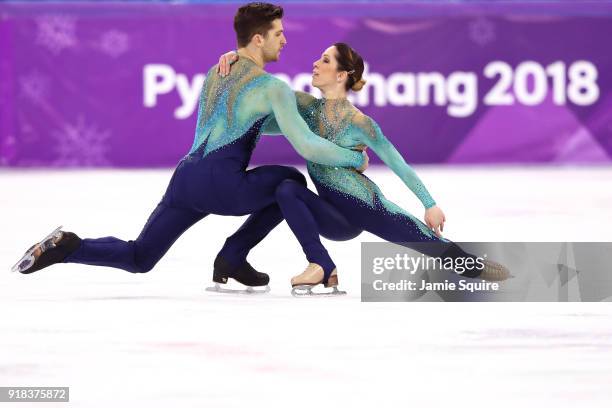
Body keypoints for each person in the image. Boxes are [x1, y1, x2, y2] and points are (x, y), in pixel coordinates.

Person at [11, 3, 368, 294]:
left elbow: (260, 122)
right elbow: (303, 142)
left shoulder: (218, 72)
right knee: (289, 181)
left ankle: (69, 246)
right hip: (223, 184)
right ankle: (233, 255)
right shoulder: (272, 88)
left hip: (185, 179)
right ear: (258, 39)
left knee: (140, 256)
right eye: (278, 34)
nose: (285, 41)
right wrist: (355, 157)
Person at [218, 43, 509, 295]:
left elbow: (398, 163)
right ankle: (319, 264)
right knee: (286, 189)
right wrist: (238, 60)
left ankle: (474, 267)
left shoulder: (361, 123)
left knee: (429, 243)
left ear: (342, 75)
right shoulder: (306, 109)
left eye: (326, 60)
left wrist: (429, 203)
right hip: (332, 217)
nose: (316, 64)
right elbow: (265, 97)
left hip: (366, 205)